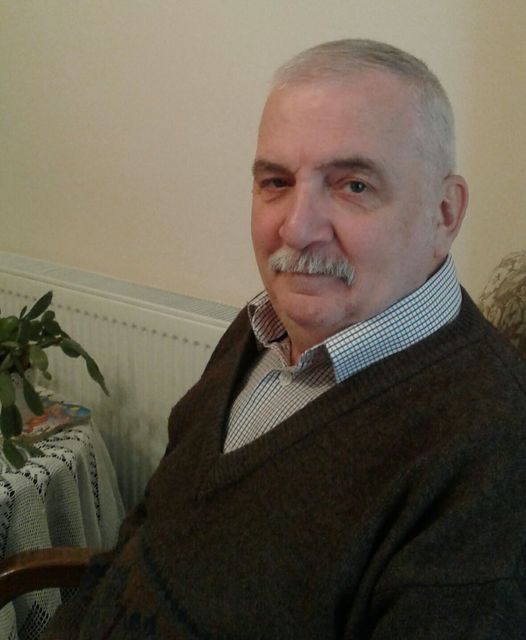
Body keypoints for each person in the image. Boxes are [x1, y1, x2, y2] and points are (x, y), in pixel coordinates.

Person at [44, 39, 526, 639]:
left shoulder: (493, 451)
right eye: (276, 181)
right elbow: (148, 527)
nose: (296, 229)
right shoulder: (262, 327)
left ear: (444, 214)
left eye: (353, 185)